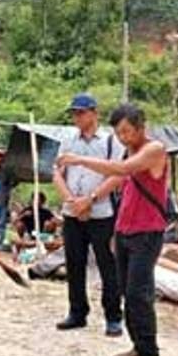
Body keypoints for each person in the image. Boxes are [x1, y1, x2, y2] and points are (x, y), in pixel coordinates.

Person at [57, 103, 167, 356]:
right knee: (128, 292)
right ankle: (138, 346)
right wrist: (117, 232)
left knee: (138, 294)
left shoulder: (154, 150)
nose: (123, 138)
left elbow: (121, 169)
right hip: (126, 230)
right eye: (119, 133)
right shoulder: (130, 149)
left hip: (147, 231)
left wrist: (81, 161)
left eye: (128, 132)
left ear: (141, 127)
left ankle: (149, 355)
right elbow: (127, 197)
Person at [53, 93, 126, 338]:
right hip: (73, 212)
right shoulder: (67, 140)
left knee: (108, 265)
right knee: (74, 263)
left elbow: (118, 174)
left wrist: (91, 199)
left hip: (102, 211)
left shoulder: (110, 141)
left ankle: (113, 316)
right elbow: (57, 173)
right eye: (74, 113)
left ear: (94, 113)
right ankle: (77, 311)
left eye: (81, 112)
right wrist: (71, 201)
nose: (77, 117)